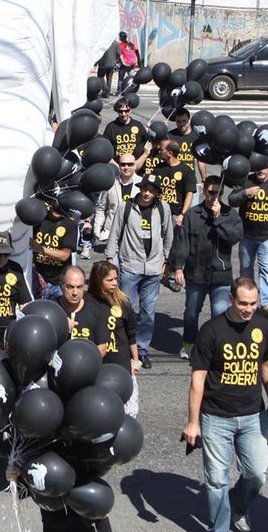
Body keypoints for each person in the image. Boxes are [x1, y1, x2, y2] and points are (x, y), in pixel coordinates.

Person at [182, 277, 268, 532]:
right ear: (231, 300)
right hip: (215, 417)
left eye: (253, 304)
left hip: (252, 416)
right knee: (216, 481)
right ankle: (220, 527)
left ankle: (239, 505)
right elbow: (198, 378)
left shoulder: (263, 327)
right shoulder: (211, 330)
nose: (248, 309)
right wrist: (193, 422)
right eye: (243, 303)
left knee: (257, 474)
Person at [104, 174, 173, 369]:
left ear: (157, 193)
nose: (147, 193)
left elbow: (169, 234)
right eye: (144, 189)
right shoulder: (126, 207)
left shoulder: (163, 208)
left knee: (148, 313)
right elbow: (115, 233)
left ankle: (141, 351)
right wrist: (110, 258)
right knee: (124, 310)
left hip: (153, 269)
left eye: (151, 190)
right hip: (130, 267)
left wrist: (166, 260)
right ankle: (124, 348)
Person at [174, 176, 243, 360]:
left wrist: (218, 217)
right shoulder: (192, 214)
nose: (215, 197)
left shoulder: (229, 214)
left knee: (219, 314)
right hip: (195, 274)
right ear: (204, 191)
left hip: (220, 274)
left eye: (219, 193)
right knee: (191, 313)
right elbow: (183, 242)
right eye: (212, 192)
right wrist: (178, 267)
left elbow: (233, 238)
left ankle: (217, 348)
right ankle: (189, 343)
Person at [228, 165, 268, 316]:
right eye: (258, 168)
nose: (261, 171)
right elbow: (232, 200)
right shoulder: (246, 181)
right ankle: (247, 300)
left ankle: (266, 303)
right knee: (246, 270)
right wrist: (245, 192)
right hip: (247, 236)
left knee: (266, 270)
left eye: (264, 168)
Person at [88, 261, 140, 416]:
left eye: (116, 279)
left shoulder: (123, 301)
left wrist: (135, 361)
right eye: (109, 280)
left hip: (121, 362)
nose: (114, 283)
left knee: (127, 412)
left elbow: (131, 335)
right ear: (98, 280)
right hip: (100, 363)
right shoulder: (88, 302)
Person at [153, 139, 197, 292]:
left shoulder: (186, 170)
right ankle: (155, 270)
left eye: (162, 150)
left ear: (170, 153)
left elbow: (189, 193)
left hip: (174, 213)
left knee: (174, 245)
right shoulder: (158, 168)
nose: (160, 152)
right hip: (157, 212)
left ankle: (172, 274)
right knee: (156, 241)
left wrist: (182, 214)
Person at [58, 266, 113, 355]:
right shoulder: (52, 310)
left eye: (79, 287)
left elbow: (102, 347)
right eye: (70, 287)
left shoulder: (97, 310)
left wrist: (83, 363)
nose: (75, 293)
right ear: (61, 286)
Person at [29, 205, 77, 300]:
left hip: (59, 282)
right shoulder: (37, 221)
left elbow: (64, 255)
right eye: (55, 206)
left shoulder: (70, 224)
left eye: (61, 208)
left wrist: (40, 249)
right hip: (38, 280)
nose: (58, 210)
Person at [94, 153, 140, 250]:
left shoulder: (142, 184)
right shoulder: (110, 183)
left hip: (134, 233)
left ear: (135, 166)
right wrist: (97, 228)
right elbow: (101, 207)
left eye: (129, 164)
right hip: (112, 232)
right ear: (119, 166)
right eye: (123, 164)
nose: (126, 167)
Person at [102, 98, 152, 163]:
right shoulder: (111, 127)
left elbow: (147, 144)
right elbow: (106, 149)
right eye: (120, 111)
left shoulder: (138, 125)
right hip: (117, 163)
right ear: (117, 111)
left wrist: (149, 133)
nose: (123, 114)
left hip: (135, 163)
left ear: (131, 110)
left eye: (126, 111)